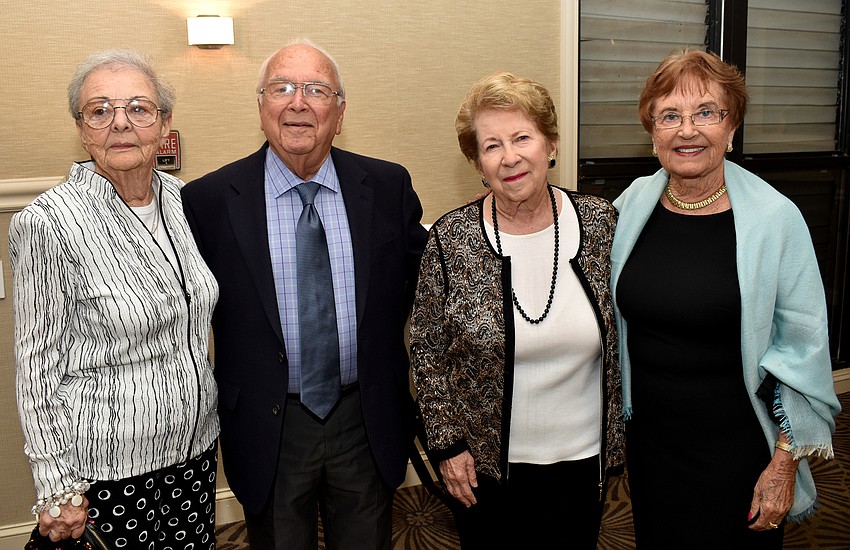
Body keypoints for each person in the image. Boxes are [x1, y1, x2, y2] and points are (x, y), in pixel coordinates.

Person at [180, 38, 427, 550]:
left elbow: (427, 278)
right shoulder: (207, 201)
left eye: (317, 90)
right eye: (282, 88)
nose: (298, 102)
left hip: (364, 416)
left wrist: (488, 223)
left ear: (339, 113)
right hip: (271, 424)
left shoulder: (386, 185)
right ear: (261, 106)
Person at [611, 48, 842, 548]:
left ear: (732, 129)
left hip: (738, 449)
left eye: (706, 113)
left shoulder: (775, 220)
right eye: (669, 115)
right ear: (652, 133)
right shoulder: (631, 206)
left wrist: (783, 464)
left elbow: (803, 351)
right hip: (651, 443)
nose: (686, 130)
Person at [9, 49, 220, 548]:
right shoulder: (48, 222)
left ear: (164, 123)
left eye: (139, 108)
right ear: (82, 130)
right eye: (99, 110)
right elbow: (35, 366)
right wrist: (56, 487)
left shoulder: (180, 198)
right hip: (107, 474)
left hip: (195, 451)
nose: (120, 123)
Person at [409, 71, 625, 549]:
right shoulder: (450, 239)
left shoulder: (601, 223)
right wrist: (448, 446)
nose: (509, 157)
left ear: (550, 144)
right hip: (486, 467)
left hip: (582, 459)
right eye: (491, 145)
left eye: (522, 137)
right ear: (478, 162)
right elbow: (427, 350)